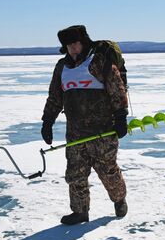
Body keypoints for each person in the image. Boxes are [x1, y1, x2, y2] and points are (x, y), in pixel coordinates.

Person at [41, 25, 129, 225]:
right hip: (75, 132)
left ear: (83, 42)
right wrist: (47, 121)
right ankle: (80, 211)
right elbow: (55, 97)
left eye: (75, 43)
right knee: (75, 173)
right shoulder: (62, 67)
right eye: (68, 45)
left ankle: (119, 199)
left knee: (107, 171)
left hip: (103, 131)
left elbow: (117, 91)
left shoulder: (98, 62)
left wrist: (121, 117)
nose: (72, 48)